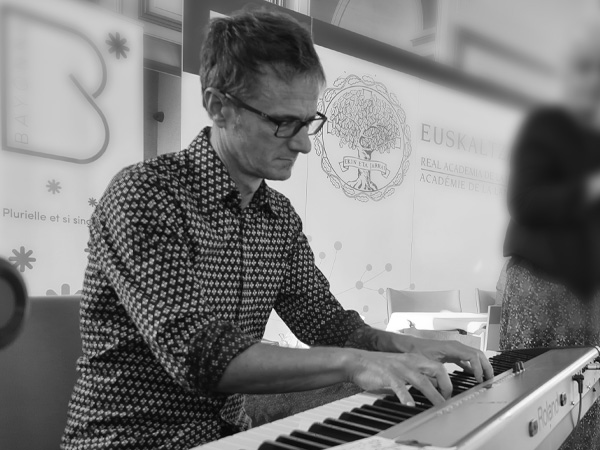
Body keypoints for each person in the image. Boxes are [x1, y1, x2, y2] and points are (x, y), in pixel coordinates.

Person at [62, 10, 492, 450]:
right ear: (219, 107)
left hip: (231, 435)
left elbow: (326, 322)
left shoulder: (278, 217)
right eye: (283, 123)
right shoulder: (146, 194)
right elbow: (200, 355)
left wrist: (410, 347)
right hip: (129, 440)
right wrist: (356, 363)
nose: (303, 143)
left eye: (307, 123)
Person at [500, 20, 600, 450]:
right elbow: (524, 201)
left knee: (585, 408)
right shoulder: (545, 127)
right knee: (528, 411)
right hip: (540, 290)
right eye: (586, 70)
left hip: (587, 298)